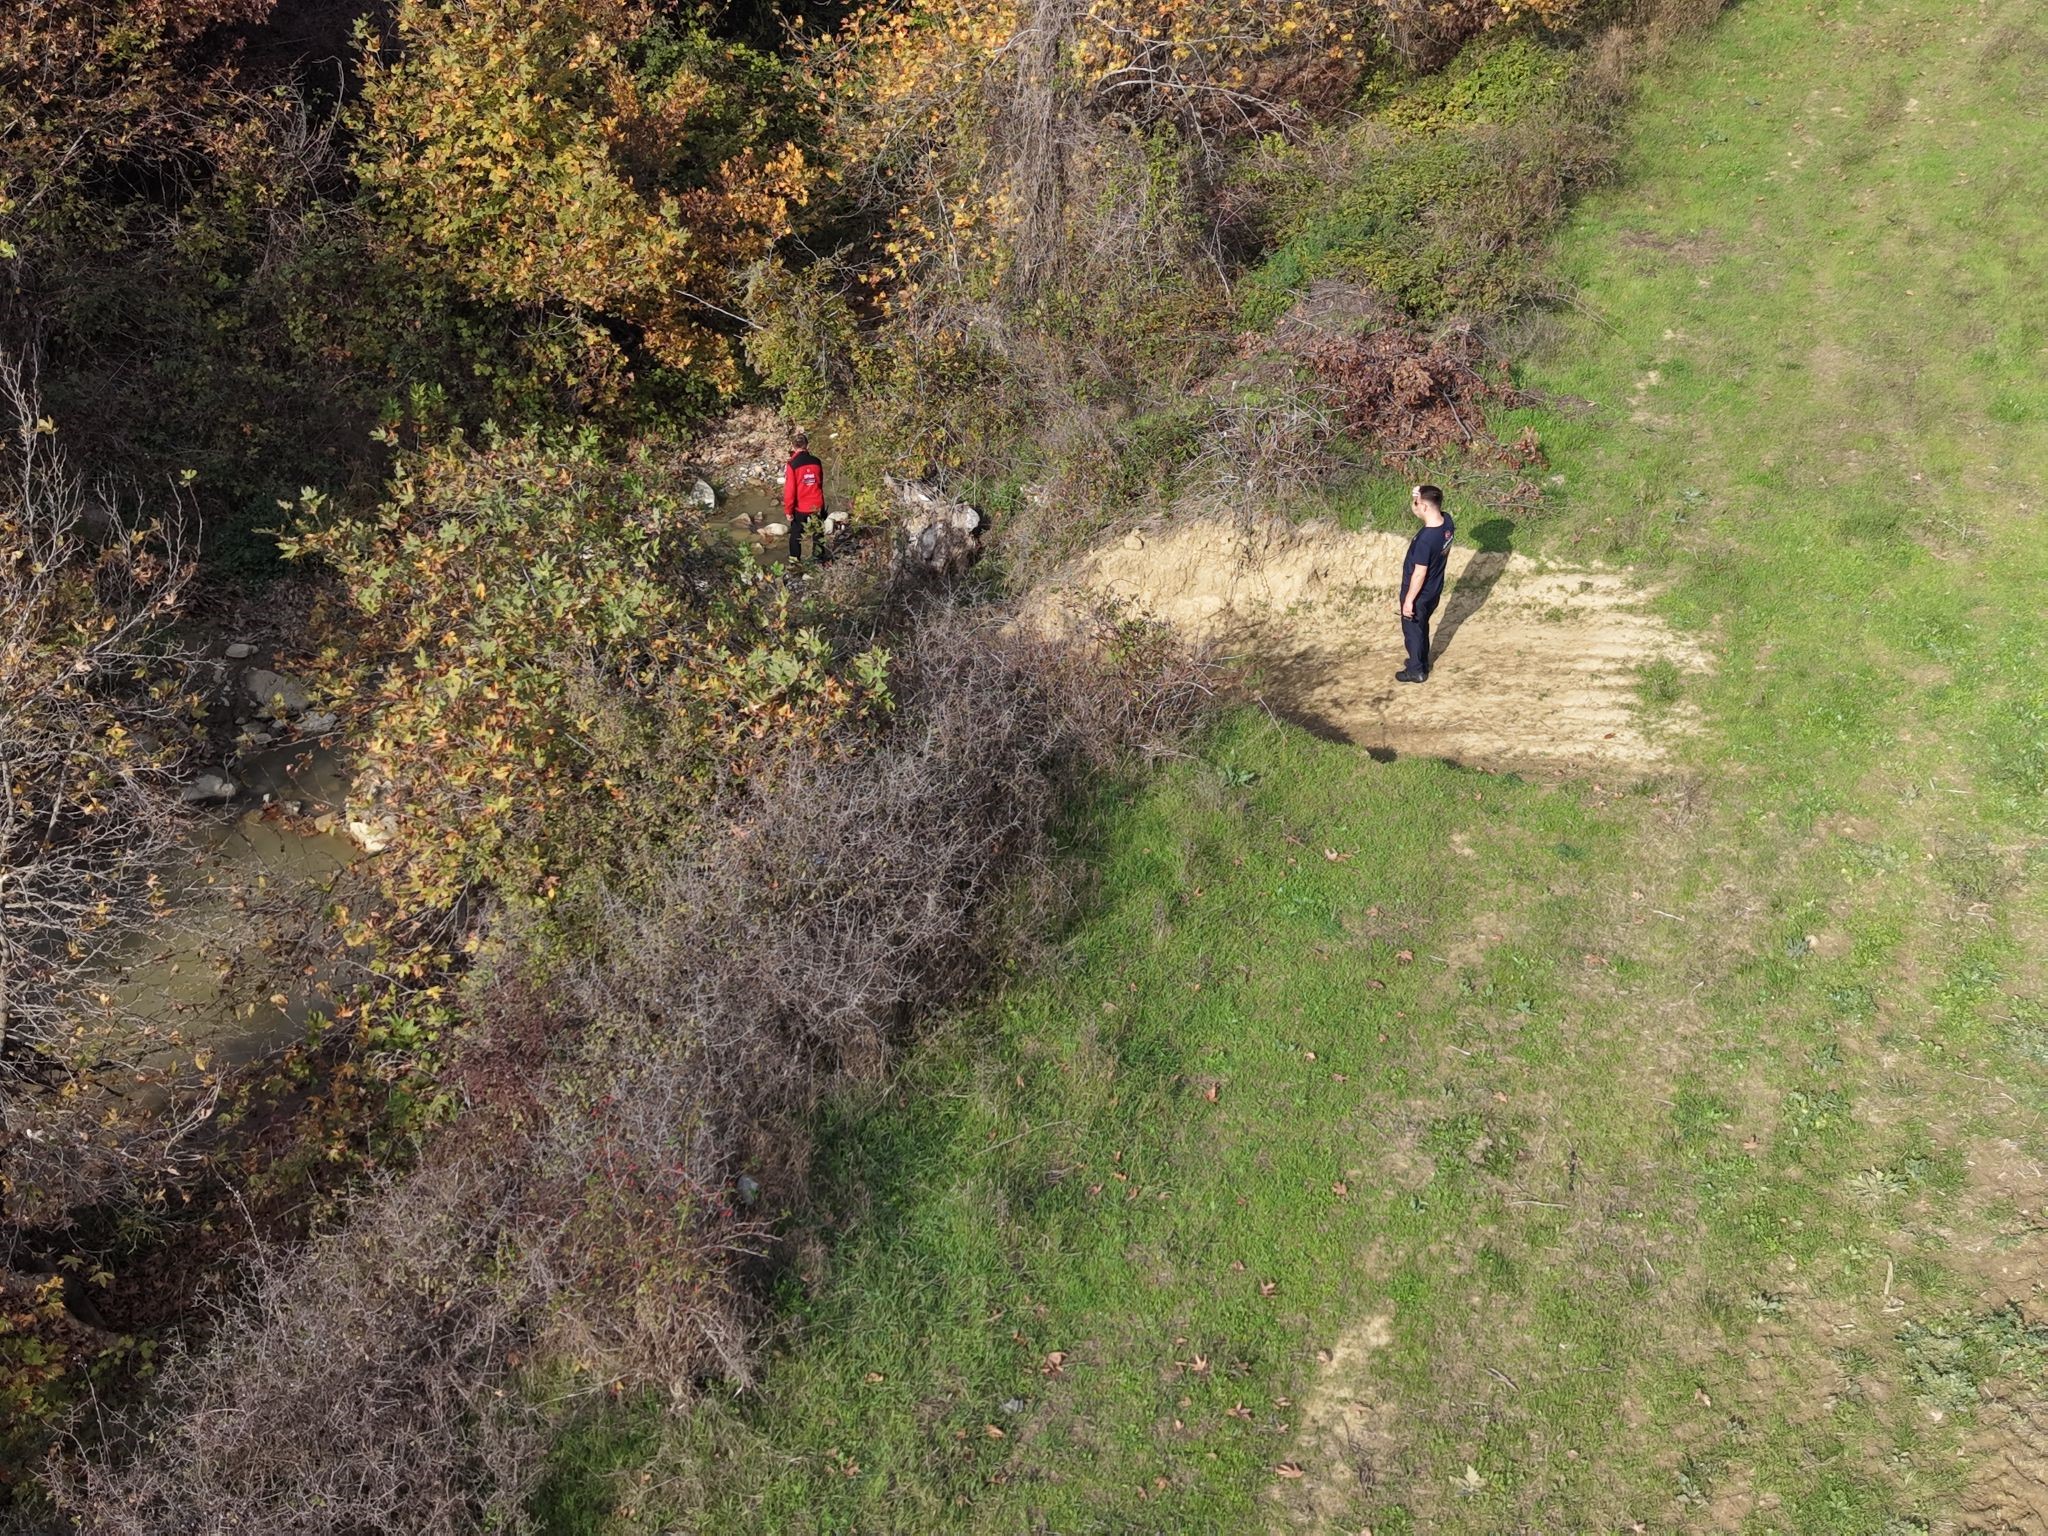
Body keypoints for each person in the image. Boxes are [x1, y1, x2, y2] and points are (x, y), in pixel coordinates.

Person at [1396, 483, 1454, 684]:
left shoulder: (1426, 540)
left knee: (1413, 630)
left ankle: (1416, 671)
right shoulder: (1447, 523)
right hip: (1434, 589)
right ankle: (1420, 660)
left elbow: (1419, 574)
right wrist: (1418, 495)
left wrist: (1409, 600)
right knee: (1422, 626)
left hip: (1419, 593)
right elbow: (1424, 508)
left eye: (1417, 503)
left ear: (1425, 507)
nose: (1415, 506)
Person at [781, 429, 829, 566]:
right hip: (817, 505)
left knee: (795, 536)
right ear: (807, 445)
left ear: (793, 446)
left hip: (801, 507)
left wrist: (788, 511)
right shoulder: (816, 461)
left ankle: (795, 563)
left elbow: (790, 491)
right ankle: (819, 561)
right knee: (818, 534)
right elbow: (819, 484)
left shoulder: (792, 464)